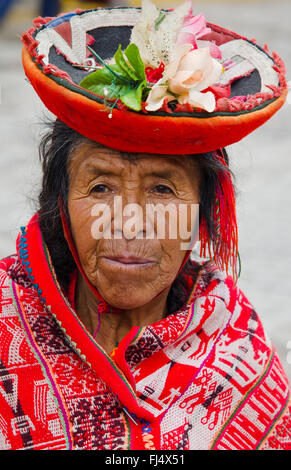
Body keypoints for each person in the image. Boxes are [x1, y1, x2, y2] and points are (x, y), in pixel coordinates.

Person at [0, 0, 290, 450]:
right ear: (58, 204)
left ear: (203, 212)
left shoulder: (240, 357)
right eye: (100, 188)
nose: (130, 220)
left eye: (162, 190)